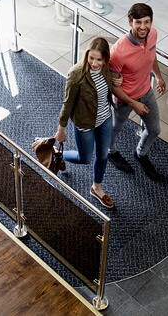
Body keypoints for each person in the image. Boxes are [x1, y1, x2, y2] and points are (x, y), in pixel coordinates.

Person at [54, 37, 127, 208]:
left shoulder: (107, 69)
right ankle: (58, 154)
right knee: (84, 158)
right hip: (84, 123)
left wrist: (119, 78)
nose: (94, 63)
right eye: (91, 58)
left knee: (102, 155)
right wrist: (61, 129)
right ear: (86, 55)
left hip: (104, 119)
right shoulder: (76, 73)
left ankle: (97, 188)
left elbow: (112, 83)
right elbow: (68, 103)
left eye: (98, 59)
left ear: (105, 59)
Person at [109, 3, 165, 180]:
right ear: (129, 22)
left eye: (147, 22)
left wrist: (158, 76)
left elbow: (152, 55)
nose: (143, 27)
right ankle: (110, 151)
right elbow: (113, 85)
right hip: (124, 98)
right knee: (114, 129)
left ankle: (140, 153)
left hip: (146, 91)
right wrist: (135, 104)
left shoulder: (153, 34)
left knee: (154, 129)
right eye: (138, 22)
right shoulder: (118, 51)